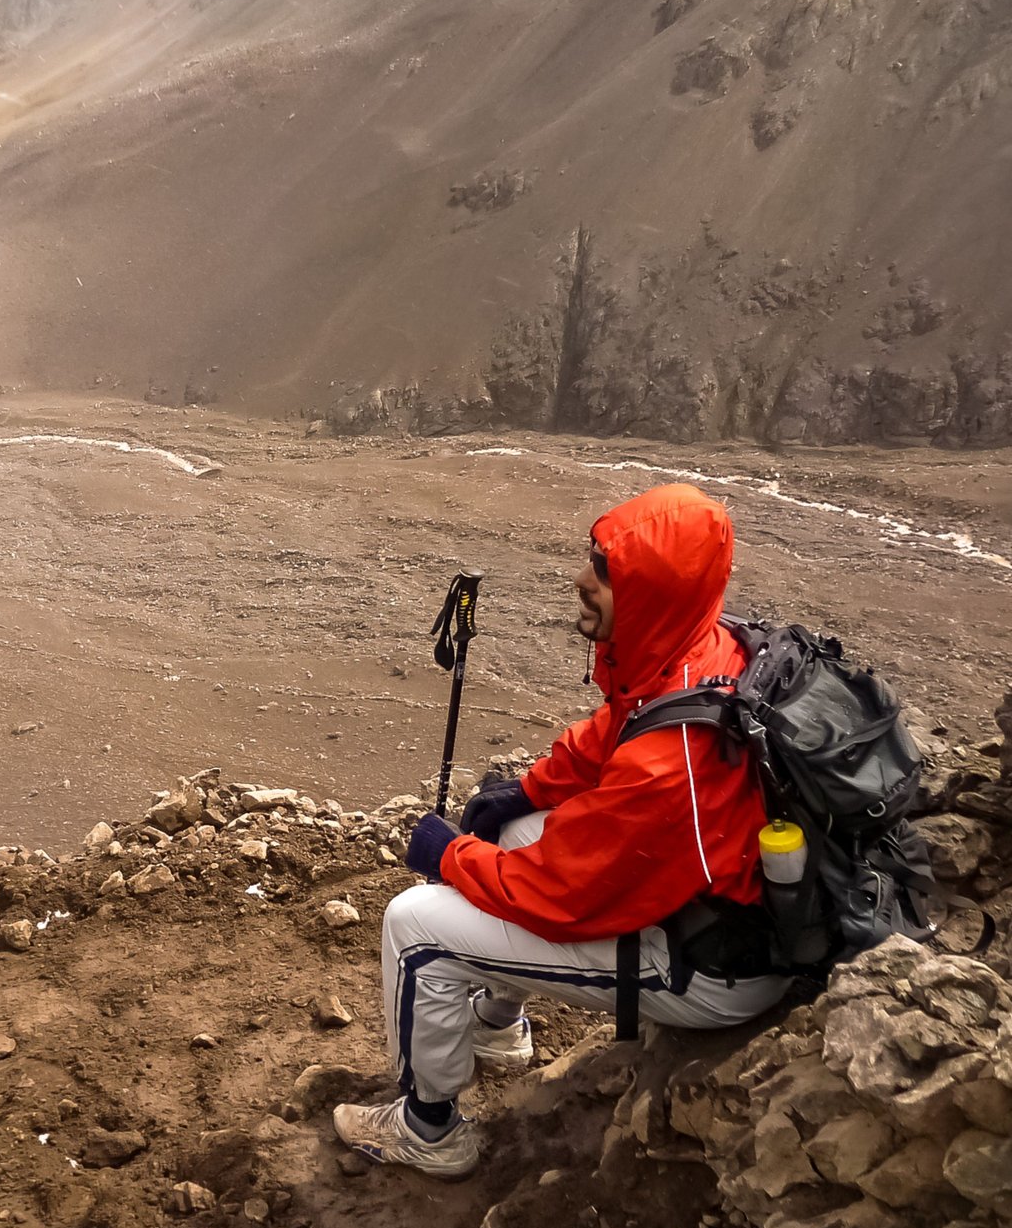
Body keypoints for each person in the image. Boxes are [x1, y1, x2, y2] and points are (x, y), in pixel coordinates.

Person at [335, 482, 788, 1177]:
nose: (582, 581)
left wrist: (448, 853)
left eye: (605, 574)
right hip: (709, 909)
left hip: (714, 968)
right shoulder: (698, 650)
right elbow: (620, 725)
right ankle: (497, 1029)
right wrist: (524, 791)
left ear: (651, 596)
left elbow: (559, 893)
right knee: (520, 827)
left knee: (414, 927)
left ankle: (428, 1131)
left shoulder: (672, 765)